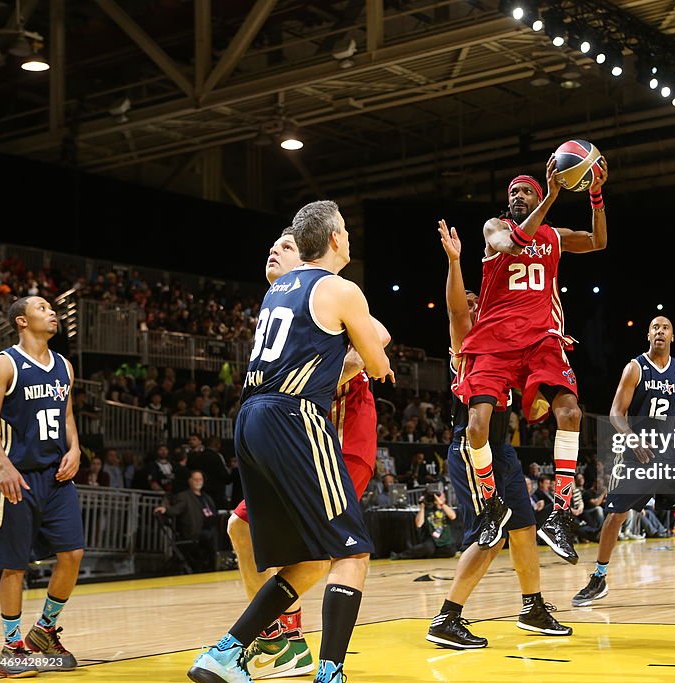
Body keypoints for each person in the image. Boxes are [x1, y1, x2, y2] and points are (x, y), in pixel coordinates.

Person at [188, 201, 392, 683]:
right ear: (336, 239)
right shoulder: (341, 289)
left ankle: (226, 651)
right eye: (345, 230)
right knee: (352, 552)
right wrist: (371, 359)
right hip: (295, 418)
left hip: (251, 420)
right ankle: (330, 672)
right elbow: (379, 362)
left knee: (308, 559)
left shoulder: (277, 290)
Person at [453, 157, 609, 565]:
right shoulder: (495, 227)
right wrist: (552, 198)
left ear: (538, 194)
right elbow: (512, 244)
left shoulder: (553, 235)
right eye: (513, 193)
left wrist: (595, 193)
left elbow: (598, 240)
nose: (517, 197)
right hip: (495, 339)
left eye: (525, 191)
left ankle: (558, 514)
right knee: (477, 426)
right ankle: (490, 505)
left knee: (571, 412)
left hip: (542, 336)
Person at [426, 219, 570, 650]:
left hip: (501, 449)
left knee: (524, 526)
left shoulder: (509, 341)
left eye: (477, 301)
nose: (472, 306)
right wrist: (455, 263)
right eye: (469, 302)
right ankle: (447, 618)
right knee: (493, 532)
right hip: (471, 448)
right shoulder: (467, 341)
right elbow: (455, 310)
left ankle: (533, 607)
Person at [572, 316, 675, 609]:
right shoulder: (635, 368)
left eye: (665, 327)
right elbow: (616, 413)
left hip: (671, 454)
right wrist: (631, 438)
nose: (659, 331)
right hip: (636, 453)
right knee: (615, 516)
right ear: (648, 335)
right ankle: (599, 577)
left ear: (672, 336)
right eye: (655, 327)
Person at [0, 296, 85, 677]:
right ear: (22, 321)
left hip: (57, 477)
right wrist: (3, 465)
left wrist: (75, 448)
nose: (52, 312)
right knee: (14, 566)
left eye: (52, 308)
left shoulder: (64, 366)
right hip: (17, 476)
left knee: (72, 553)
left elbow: (67, 415)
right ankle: (12, 650)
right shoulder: (2, 364)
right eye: (43, 308)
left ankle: (43, 632)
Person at [155, 470, 219, 571]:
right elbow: (176, 509)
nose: (198, 482)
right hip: (194, 531)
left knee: (221, 532)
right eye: (195, 479)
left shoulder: (207, 497)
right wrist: (166, 510)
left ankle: (218, 564)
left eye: (200, 479)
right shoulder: (184, 496)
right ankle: (212, 567)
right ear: (190, 481)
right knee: (210, 535)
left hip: (210, 527)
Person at [392, 491, 457, 560]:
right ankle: (399, 556)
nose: (437, 498)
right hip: (431, 539)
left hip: (444, 539)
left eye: (441, 497)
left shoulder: (445, 508)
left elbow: (453, 516)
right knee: (427, 548)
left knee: (451, 551)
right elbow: (419, 524)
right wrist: (422, 507)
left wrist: (441, 504)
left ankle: (427, 555)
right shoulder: (427, 510)